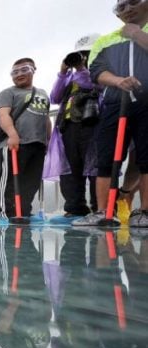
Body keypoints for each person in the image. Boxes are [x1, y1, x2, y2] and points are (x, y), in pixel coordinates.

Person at [74, 0, 148, 228]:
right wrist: (118, 81)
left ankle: (144, 211)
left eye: (134, 2)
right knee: (106, 157)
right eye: (121, 6)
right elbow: (96, 71)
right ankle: (103, 211)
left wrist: (137, 35)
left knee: (146, 157)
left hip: (146, 102)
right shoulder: (106, 40)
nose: (127, 9)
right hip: (116, 104)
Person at [49, 35, 101, 223]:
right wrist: (63, 72)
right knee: (71, 168)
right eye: (80, 55)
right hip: (69, 126)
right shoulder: (70, 77)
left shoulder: (102, 71)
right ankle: (75, 207)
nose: (83, 58)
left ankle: (99, 207)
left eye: (87, 54)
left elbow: (91, 84)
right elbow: (54, 97)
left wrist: (80, 68)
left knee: (96, 167)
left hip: (93, 124)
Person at [0, 58, 51, 219]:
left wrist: (48, 140)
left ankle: (24, 212)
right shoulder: (8, 93)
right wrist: (12, 134)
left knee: (31, 181)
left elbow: (46, 118)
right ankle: (7, 213)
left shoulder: (42, 93)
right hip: (15, 143)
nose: (19, 74)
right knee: (11, 181)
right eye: (15, 72)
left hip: (38, 143)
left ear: (33, 70)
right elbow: (3, 115)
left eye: (24, 70)